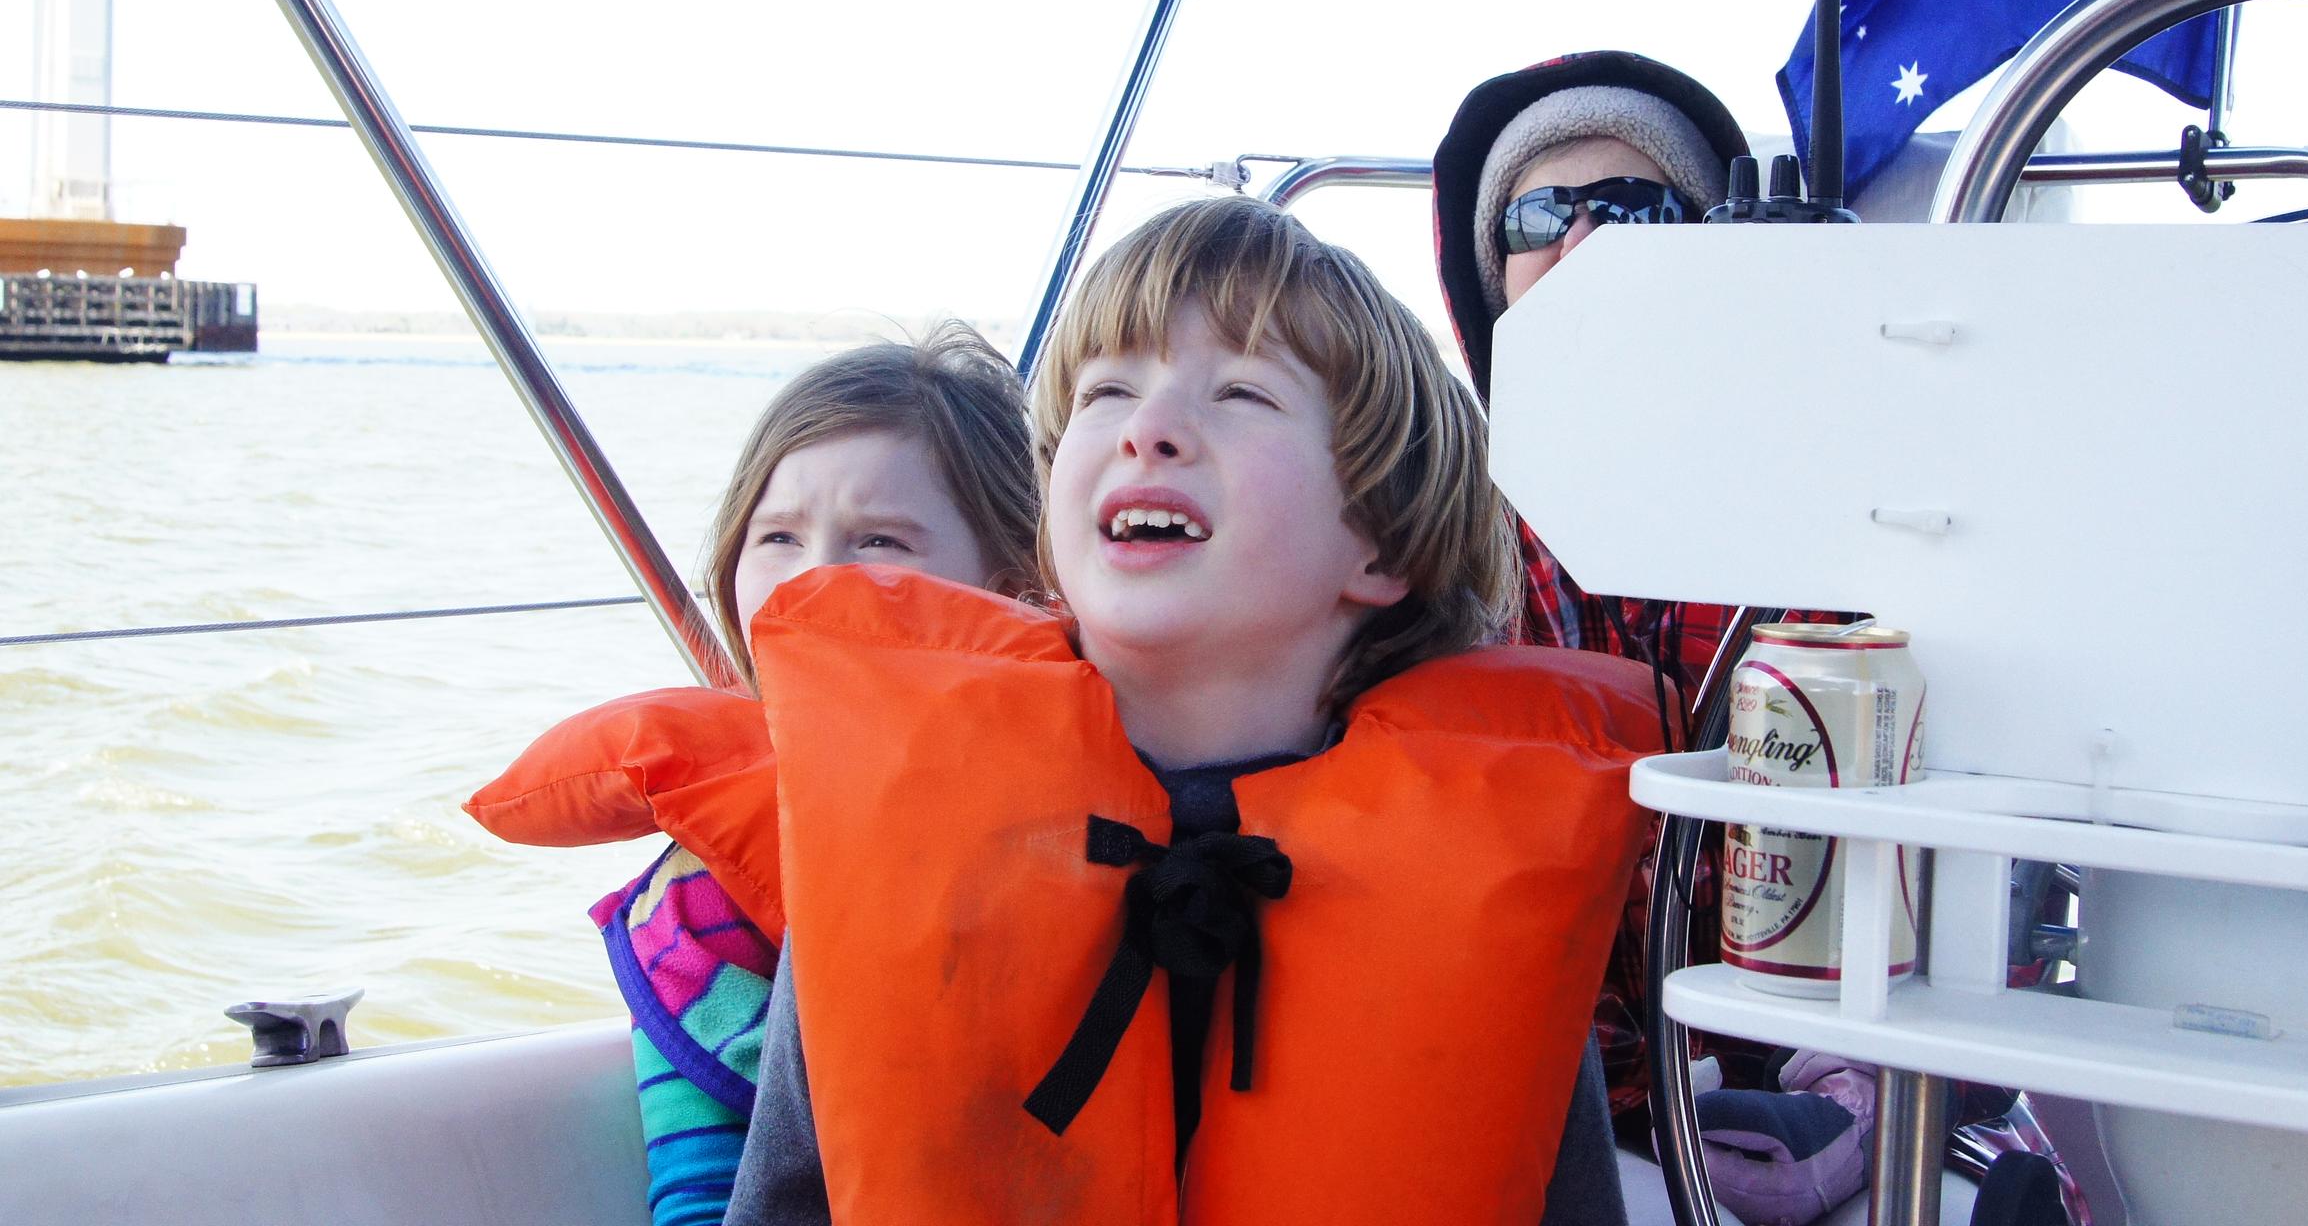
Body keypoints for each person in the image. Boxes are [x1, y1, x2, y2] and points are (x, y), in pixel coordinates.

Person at [723, 196, 1664, 1224]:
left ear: (1382, 544)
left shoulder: (1483, 866)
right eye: (1107, 388)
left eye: (1244, 393)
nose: (1149, 429)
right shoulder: (899, 832)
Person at [1432, 51, 1877, 1224]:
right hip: (1542, 1098)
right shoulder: (1426, 534)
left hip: (1819, 1087)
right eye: (1541, 214)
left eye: (1632, 209)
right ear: (1495, 274)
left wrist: (1847, 1082)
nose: (1583, 243)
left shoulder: (1849, 512)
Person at [467, 325, 1042, 1226]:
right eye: (778, 537)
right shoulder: (701, 911)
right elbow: (701, 1201)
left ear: (1011, 585)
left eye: (882, 541)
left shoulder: (1120, 821)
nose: (813, 582)